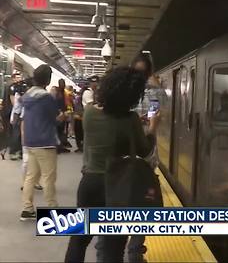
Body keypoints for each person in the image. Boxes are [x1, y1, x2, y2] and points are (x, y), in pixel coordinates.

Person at [65, 67, 161, 262]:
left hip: (89, 184)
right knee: (112, 247)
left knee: (78, 241)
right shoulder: (131, 119)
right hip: (117, 187)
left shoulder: (90, 112)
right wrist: (152, 127)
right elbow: (144, 150)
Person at [20, 65, 60, 220]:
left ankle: (27, 209)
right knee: (48, 177)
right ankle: (52, 209)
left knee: (31, 176)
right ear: (48, 79)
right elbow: (53, 119)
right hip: (45, 142)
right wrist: (61, 118)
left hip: (30, 141)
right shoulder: (46, 97)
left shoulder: (27, 96)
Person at [56, 79, 71, 153]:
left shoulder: (63, 92)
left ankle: (61, 146)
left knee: (62, 130)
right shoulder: (58, 92)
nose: (63, 85)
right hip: (59, 114)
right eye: (62, 83)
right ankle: (59, 147)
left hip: (63, 113)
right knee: (59, 131)